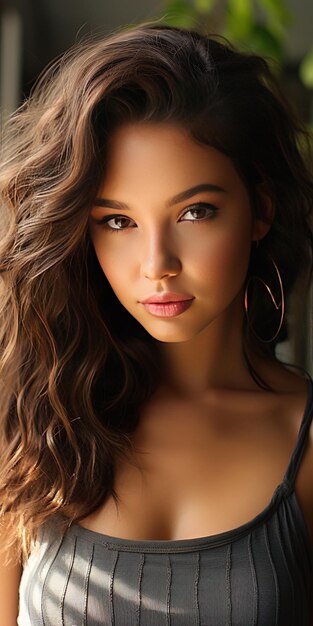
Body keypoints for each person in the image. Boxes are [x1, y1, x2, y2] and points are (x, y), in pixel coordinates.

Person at [0, 21, 312, 626]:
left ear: (260, 210)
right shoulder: (33, 420)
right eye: (118, 221)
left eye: (195, 212)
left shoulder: (303, 436)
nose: (156, 265)